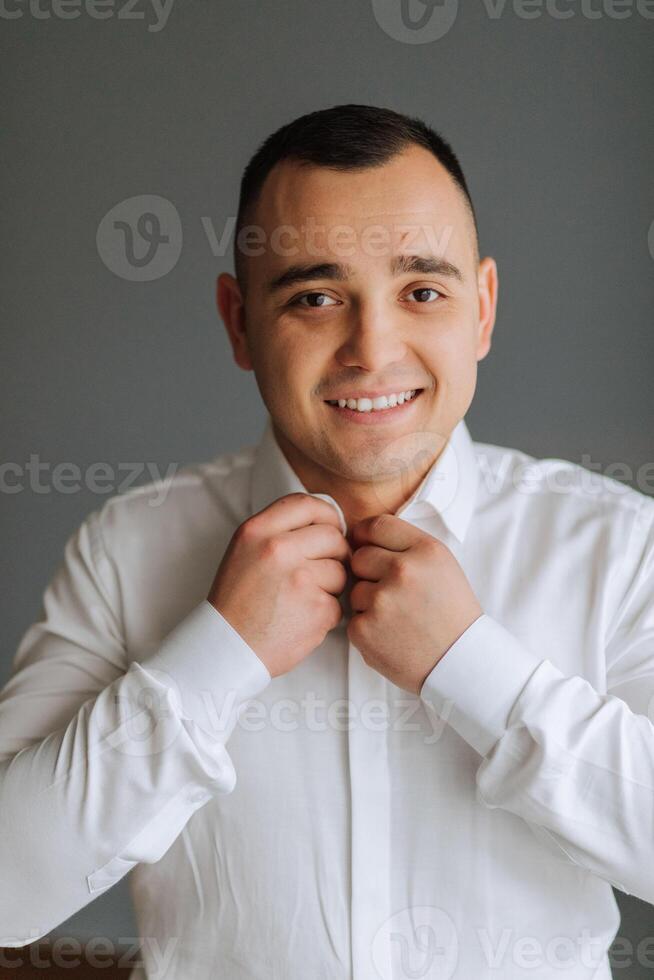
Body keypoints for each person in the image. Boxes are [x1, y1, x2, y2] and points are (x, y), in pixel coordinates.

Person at [1, 103, 653, 980]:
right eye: (315, 296)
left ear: (483, 309)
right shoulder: (126, 549)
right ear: (239, 322)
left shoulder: (615, 546)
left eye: (422, 290)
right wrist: (216, 655)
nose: (372, 349)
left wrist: (475, 670)